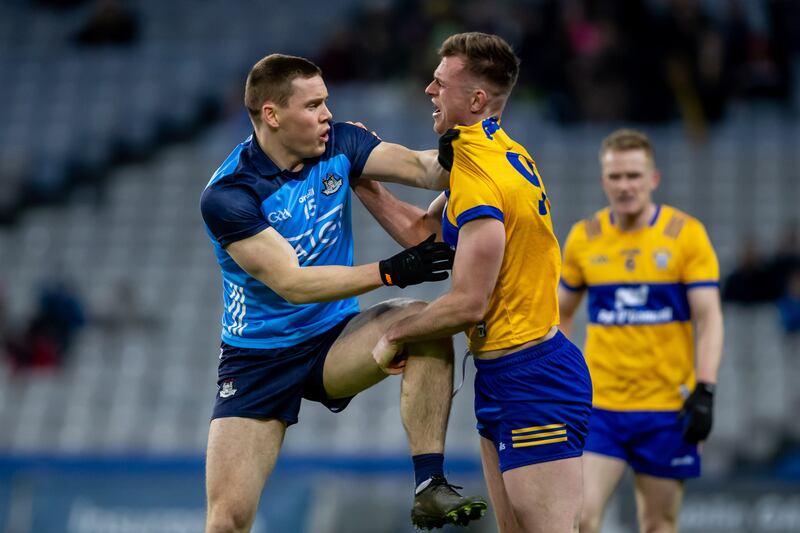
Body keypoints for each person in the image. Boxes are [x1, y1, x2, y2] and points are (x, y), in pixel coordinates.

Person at [199, 54, 486, 533]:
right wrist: (389, 271)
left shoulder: (340, 142)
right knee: (226, 522)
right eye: (313, 105)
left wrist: (474, 146)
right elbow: (291, 283)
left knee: (425, 320)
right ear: (272, 115)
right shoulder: (230, 195)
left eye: (327, 102)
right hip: (257, 359)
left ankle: (429, 486)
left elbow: (423, 167)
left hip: (333, 336)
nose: (328, 114)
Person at [355, 32, 593, 532]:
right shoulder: (487, 154)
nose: (428, 90)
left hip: (534, 377)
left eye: (440, 83)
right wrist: (364, 182)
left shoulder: (482, 178)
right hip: (505, 373)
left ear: (476, 99)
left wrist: (394, 334)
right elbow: (428, 234)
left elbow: (467, 304)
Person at [557, 129, 724, 533]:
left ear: (653, 179)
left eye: (634, 176)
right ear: (603, 181)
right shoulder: (585, 238)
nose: (625, 186)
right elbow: (559, 313)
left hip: (666, 410)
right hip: (601, 410)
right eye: (616, 177)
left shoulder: (685, 235)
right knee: (581, 519)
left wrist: (705, 391)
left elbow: (709, 318)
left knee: (658, 525)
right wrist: (561, 381)